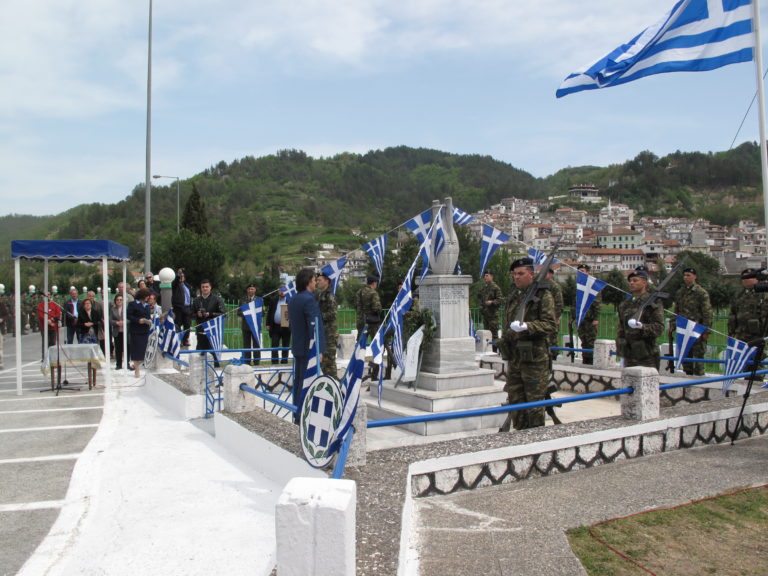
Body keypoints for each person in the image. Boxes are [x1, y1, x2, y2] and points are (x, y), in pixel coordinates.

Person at [498, 257, 557, 432]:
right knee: (515, 399)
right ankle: (520, 434)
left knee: (534, 403)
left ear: (531, 274)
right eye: (514, 274)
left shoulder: (543, 296)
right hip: (516, 357)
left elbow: (550, 325)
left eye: (521, 274)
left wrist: (527, 327)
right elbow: (508, 324)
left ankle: (536, 440)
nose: (517, 277)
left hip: (535, 359)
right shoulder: (514, 297)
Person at [287, 268, 324, 423]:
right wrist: (319, 350)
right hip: (309, 349)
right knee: (307, 384)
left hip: (298, 346)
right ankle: (304, 416)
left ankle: (297, 413)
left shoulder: (293, 299)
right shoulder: (309, 300)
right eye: (315, 280)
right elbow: (314, 327)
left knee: (298, 382)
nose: (316, 282)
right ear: (309, 281)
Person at [617, 269, 665, 369]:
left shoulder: (652, 302)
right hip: (629, 354)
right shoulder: (625, 304)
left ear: (644, 282)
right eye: (630, 281)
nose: (631, 283)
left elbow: (659, 328)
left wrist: (641, 326)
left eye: (635, 280)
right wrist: (621, 349)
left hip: (647, 354)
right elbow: (621, 329)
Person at [728, 268, 768, 379]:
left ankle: (756, 381)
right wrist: (731, 333)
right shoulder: (739, 295)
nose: (746, 280)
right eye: (744, 278)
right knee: (743, 364)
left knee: (756, 363)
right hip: (741, 335)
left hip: (757, 335)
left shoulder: (763, 294)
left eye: (749, 277)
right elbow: (732, 315)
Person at [673, 267, 712, 376]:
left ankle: (699, 382)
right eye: (684, 275)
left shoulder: (701, 293)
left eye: (688, 275)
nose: (686, 277)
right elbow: (676, 310)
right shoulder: (681, 292)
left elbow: (707, 312)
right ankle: (688, 381)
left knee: (698, 359)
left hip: (697, 330)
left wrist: (706, 331)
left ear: (695, 277)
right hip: (684, 330)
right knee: (686, 359)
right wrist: (672, 324)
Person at [192, 279, 226, 367]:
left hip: (213, 331)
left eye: (207, 287)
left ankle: (216, 369)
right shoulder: (196, 300)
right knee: (200, 351)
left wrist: (210, 314)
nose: (205, 288)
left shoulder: (217, 299)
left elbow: (223, 314)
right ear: (200, 288)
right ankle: (200, 368)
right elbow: (190, 314)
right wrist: (197, 314)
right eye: (203, 287)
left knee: (213, 351)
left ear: (210, 288)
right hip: (200, 330)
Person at [573, 263, 601, 365]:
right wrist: (573, 316)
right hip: (581, 318)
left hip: (590, 319)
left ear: (588, 272)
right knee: (583, 341)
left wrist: (596, 318)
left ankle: (591, 362)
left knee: (590, 342)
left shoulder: (592, 285)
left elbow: (597, 303)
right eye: (579, 271)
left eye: (583, 271)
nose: (580, 273)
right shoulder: (579, 285)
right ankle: (585, 361)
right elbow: (576, 303)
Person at [355, 275, 382, 379]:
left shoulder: (359, 292)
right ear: (374, 283)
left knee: (360, 346)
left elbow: (356, 305)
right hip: (372, 323)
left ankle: (356, 369)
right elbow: (376, 308)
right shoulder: (373, 293)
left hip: (361, 322)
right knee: (376, 346)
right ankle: (375, 374)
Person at [315, 272, 338, 377]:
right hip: (323, 332)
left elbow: (333, 313)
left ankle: (335, 385)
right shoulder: (320, 294)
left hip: (330, 333)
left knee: (329, 362)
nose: (317, 282)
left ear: (326, 281)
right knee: (323, 362)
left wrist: (318, 317)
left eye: (319, 280)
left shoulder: (330, 295)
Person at [127, 288, 153, 378]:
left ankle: (138, 365)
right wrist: (138, 320)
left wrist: (149, 321)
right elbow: (129, 316)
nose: (148, 298)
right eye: (147, 297)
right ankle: (137, 370)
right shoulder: (132, 304)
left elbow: (148, 316)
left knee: (143, 350)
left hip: (145, 330)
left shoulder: (147, 305)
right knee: (136, 350)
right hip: (136, 330)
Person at [478, 269, 503, 350]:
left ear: (492, 277)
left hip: (493, 315)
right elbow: (481, 299)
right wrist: (481, 307)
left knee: (494, 334)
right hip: (486, 315)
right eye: (484, 276)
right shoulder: (484, 288)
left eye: (487, 276)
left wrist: (492, 302)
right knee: (486, 334)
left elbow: (501, 300)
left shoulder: (495, 288)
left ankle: (495, 351)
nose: (485, 277)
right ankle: (488, 350)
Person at [237, 283, 261, 366]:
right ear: (247, 290)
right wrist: (247, 313)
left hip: (255, 326)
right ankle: (247, 362)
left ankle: (257, 361)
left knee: (256, 344)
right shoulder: (243, 300)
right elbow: (239, 312)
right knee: (246, 345)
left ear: (255, 290)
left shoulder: (259, 300)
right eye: (249, 289)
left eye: (252, 289)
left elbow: (262, 313)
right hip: (246, 326)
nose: (251, 290)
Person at [266, 287, 291, 364]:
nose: (282, 292)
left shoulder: (289, 300)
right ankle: (274, 361)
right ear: (278, 292)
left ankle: (284, 361)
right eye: (281, 291)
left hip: (286, 326)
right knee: (274, 344)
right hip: (275, 326)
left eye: (284, 291)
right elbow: (269, 312)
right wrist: (267, 324)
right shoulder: (274, 300)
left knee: (285, 345)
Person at [545, 267, 564, 361]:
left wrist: (557, 316)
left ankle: (554, 356)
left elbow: (559, 302)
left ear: (551, 275)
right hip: (543, 316)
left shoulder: (554, 286)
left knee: (552, 337)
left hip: (552, 316)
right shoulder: (540, 285)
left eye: (546, 273)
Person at [171, 268, 193, 346]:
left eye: (183, 276)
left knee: (187, 325)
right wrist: (178, 275)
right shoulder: (175, 285)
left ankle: (185, 340)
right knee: (178, 324)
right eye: (180, 276)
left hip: (187, 307)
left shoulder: (187, 286)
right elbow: (175, 282)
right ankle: (179, 340)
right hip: (178, 307)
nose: (181, 277)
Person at [36, 294, 61, 361]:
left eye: (49, 295)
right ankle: (45, 357)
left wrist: (53, 320)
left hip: (53, 326)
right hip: (44, 327)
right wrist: (47, 321)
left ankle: (53, 357)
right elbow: (40, 315)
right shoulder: (41, 305)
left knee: (52, 342)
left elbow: (58, 313)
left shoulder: (55, 304)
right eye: (46, 295)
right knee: (45, 342)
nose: (48, 296)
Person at [110, 293, 127, 370]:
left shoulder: (126, 308)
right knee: (118, 349)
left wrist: (124, 322)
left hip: (125, 331)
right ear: (115, 301)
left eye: (121, 299)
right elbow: (110, 320)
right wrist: (116, 323)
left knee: (127, 348)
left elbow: (130, 318)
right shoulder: (112, 309)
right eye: (118, 300)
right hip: (117, 331)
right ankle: (118, 364)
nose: (119, 301)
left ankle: (127, 363)